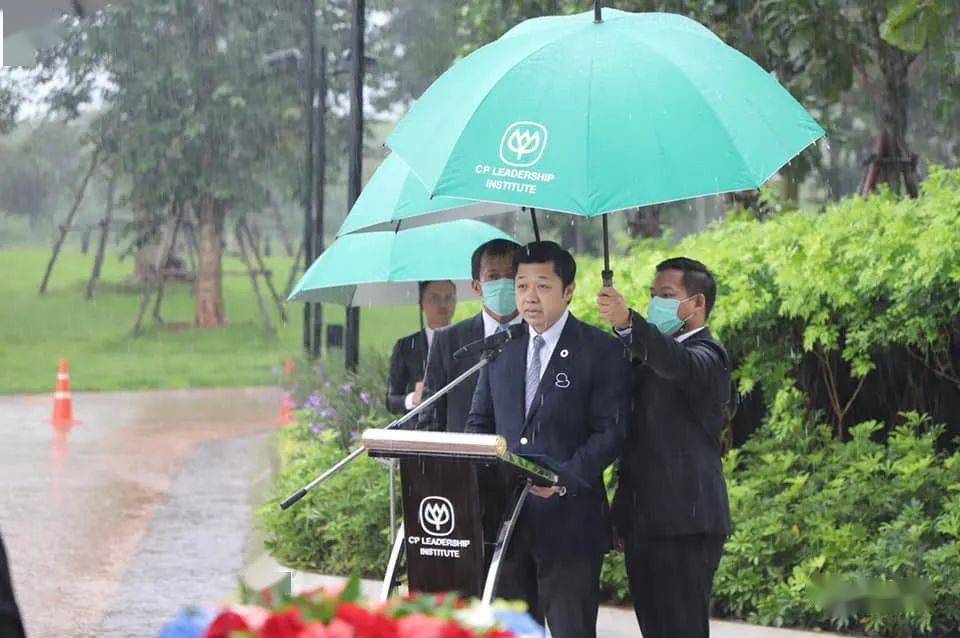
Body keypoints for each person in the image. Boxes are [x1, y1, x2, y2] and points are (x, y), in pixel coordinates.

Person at [467, 241, 629, 638]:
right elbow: (479, 422)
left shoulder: (600, 350)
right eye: (521, 286)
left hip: (570, 523)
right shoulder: (501, 348)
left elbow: (611, 431)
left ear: (568, 290)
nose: (529, 297)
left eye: (542, 286)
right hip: (509, 521)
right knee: (511, 631)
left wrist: (563, 479)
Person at [597, 257, 732, 638]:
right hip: (645, 524)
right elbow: (635, 443)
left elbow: (676, 363)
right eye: (652, 295)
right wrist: (622, 514)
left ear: (697, 303)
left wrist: (629, 323)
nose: (657, 302)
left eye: (667, 295)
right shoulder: (649, 356)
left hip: (687, 526)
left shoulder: (709, 356)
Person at [419, 238, 521, 433]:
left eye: (511, 276)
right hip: (464, 458)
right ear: (477, 287)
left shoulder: (537, 334)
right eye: (493, 276)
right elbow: (431, 417)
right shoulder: (448, 340)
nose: (503, 283)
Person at [384, 280, 457, 415]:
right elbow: (391, 401)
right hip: (418, 428)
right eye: (435, 298)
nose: (443, 304)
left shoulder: (466, 341)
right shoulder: (405, 347)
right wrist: (413, 398)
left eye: (449, 297)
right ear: (421, 302)